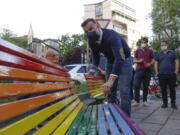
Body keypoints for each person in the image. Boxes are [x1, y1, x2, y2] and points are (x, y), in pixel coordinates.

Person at [81, 18, 132, 116]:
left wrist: (111, 80)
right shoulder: (91, 41)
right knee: (109, 92)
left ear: (98, 26)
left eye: (91, 29)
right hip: (110, 62)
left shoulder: (111, 36)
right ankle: (113, 115)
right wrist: (92, 70)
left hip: (124, 61)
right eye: (86, 32)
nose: (89, 33)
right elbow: (95, 58)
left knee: (124, 92)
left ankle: (126, 119)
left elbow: (120, 58)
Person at [154, 41, 179, 109]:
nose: (163, 46)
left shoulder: (172, 53)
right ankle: (165, 103)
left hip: (171, 74)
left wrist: (176, 72)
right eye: (161, 45)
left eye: (164, 45)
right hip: (161, 75)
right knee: (163, 89)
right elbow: (156, 63)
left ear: (167, 45)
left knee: (172, 89)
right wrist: (157, 72)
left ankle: (173, 104)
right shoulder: (158, 54)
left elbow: (176, 62)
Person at [133, 37, 154, 107]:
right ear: (140, 43)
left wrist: (150, 64)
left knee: (146, 86)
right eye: (142, 42)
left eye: (144, 42)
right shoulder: (137, 50)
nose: (143, 44)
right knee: (136, 85)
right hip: (139, 70)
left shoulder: (150, 51)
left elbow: (153, 60)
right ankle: (137, 101)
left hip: (147, 70)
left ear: (147, 43)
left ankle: (145, 101)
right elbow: (134, 60)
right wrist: (139, 61)